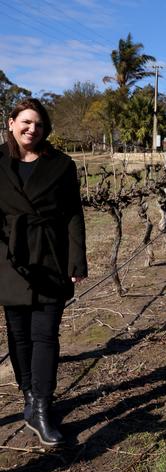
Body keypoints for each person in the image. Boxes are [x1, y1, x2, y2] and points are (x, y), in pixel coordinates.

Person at [0, 98, 87, 446]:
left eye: (38, 124)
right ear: (10, 123)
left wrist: (77, 260)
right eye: (25, 122)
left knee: (45, 335)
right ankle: (28, 397)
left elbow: (73, 215)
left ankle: (42, 404)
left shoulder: (61, 165)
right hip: (10, 257)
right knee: (18, 334)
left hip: (51, 255)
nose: (32, 129)